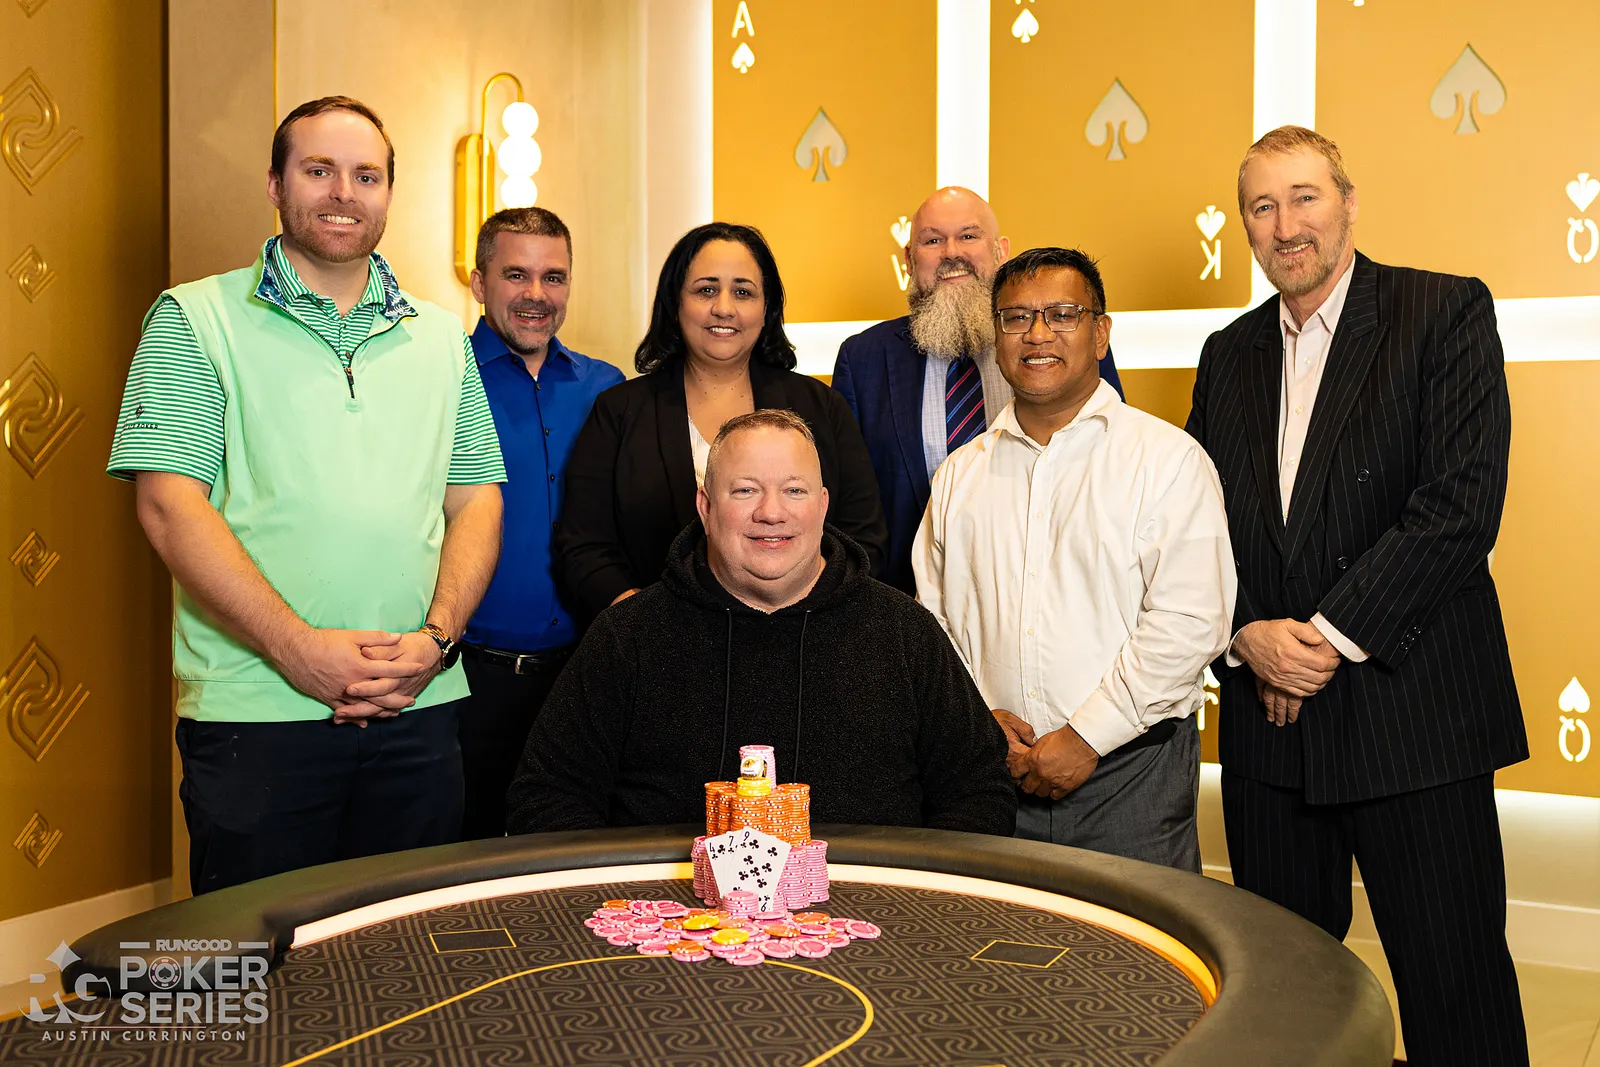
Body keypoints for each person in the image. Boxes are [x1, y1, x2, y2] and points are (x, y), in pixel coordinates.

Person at [1186, 126, 1529, 1065]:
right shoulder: (1227, 352)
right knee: (1284, 1001)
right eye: (1262, 205)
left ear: (1348, 203)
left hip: (1411, 718)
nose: (1285, 224)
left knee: (1454, 986)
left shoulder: (1442, 310)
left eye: (1304, 197)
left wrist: (1323, 640)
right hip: (1271, 727)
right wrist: (1247, 635)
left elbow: (1459, 508)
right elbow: (1197, 527)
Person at [106, 96, 506, 893]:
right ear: (275, 184)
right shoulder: (195, 318)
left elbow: (476, 501)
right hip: (258, 716)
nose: (344, 193)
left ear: (389, 192)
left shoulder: (441, 336)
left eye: (367, 175)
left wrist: (436, 640)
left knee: (406, 947)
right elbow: (169, 506)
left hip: (419, 702)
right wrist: (296, 649)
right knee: (257, 953)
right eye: (319, 170)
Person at [508, 410, 1015, 835]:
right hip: (669, 919)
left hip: (874, 917)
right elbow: (547, 797)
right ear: (705, 507)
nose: (772, 513)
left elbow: (979, 791)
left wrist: (911, 902)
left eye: (794, 490)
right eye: (745, 490)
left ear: (822, 506)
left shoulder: (904, 632)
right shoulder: (627, 637)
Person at [913, 248, 1233, 871]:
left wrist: (1086, 737)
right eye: (1017, 317)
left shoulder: (1167, 460)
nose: (1038, 334)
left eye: (1062, 314)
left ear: (1101, 333)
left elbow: (1191, 620)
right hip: (992, 776)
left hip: (1130, 776)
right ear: (996, 335)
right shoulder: (958, 476)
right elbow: (934, 624)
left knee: (1140, 938)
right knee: (992, 936)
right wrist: (979, 721)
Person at [556, 222, 887, 624]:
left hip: (804, 638)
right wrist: (646, 624)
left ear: (766, 309)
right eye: (706, 290)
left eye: (743, 292)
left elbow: (863, 537)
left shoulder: (822, 408)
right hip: (659, 644)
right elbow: (584, 546)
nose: (724, 308)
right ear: (675, 302)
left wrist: (802, 618)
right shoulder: (618, 411)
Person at [832, 187, 1123, 593]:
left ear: (1001, 251)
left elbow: (1111, 460)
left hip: (1060, 590)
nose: (951, 252)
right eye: (932, 240)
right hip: (905, 600)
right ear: (909, 259)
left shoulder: (1064, 344)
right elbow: (850, 506)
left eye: (968, 236)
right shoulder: (863, 358)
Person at [456, 207, 624, 839]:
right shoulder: (442, 378)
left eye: (553, 277)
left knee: (572, 859)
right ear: (480, 283)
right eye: (516, 275)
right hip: (464, 678)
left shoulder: (606, 388)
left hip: (582, 677)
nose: (536, 294)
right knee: (463, 860)